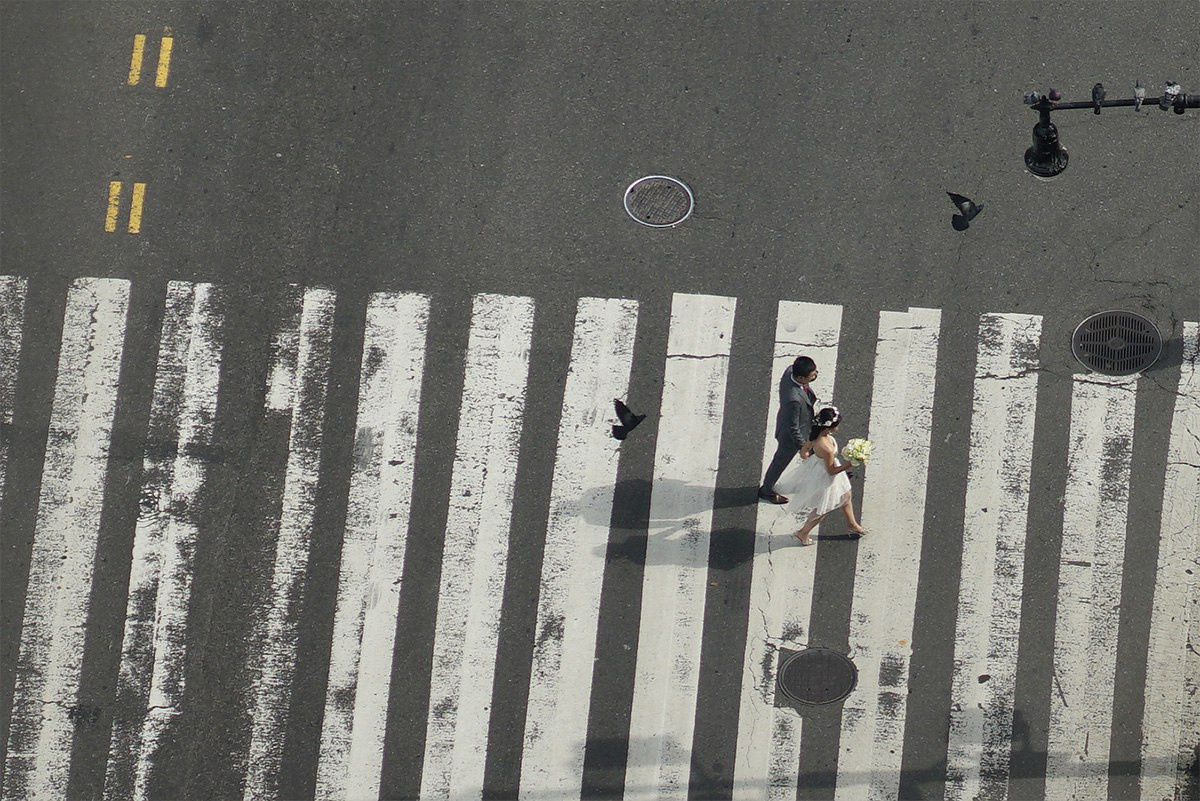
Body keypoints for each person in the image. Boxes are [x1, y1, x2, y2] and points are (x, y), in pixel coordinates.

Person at [773, 405, 867, 545]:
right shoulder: (826, 448)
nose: (838, 427)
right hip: (826, 477)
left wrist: (805, 454)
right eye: (837, 425)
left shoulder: (816, 435)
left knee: (846, 495)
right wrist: (851, 463)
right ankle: (803, 533)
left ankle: (852, 524)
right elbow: (831, 471)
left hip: (821, 469)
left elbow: (805, 449)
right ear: (828, 427)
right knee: (824, 508)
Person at [758, 356, 819, 504]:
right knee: (780, 462)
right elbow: (793, 427)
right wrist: (803, 447)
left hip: (804, 425)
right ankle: (766, 490)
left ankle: (824, 478)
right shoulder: (793, 400)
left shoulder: (790, 371)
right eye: (812, 375)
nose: (815, 375)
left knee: (819, 454)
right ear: (800, 378)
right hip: (790, 438)